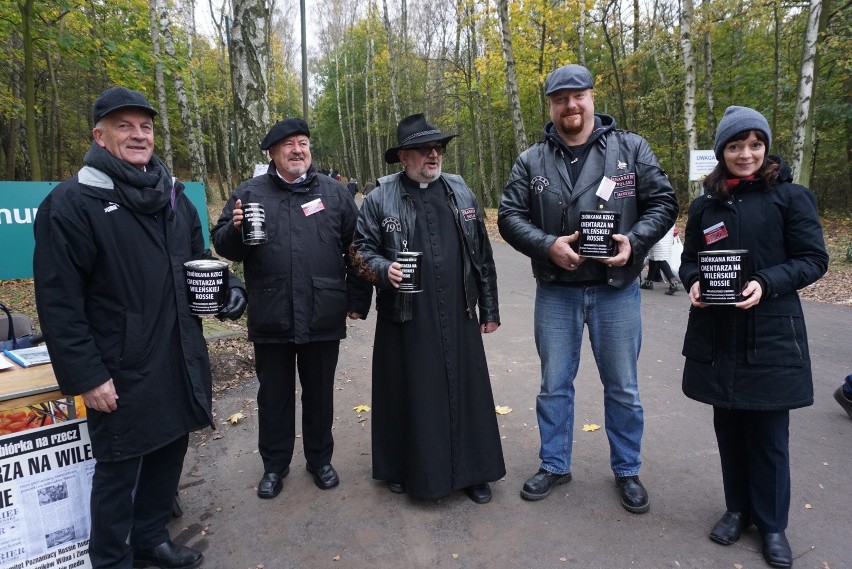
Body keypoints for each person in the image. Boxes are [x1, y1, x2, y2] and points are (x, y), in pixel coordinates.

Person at [33, 86, 247, 569]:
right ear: (100, 136)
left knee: (170, 449)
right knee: (118, 472)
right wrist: (87, 375)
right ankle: (111, 559)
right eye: (124, 126)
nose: (137, 135)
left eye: (145, 126)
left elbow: (199, 260)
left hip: (178, 354)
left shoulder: (173, 198)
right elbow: (59, 302)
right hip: (119, 366)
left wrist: (229, 287)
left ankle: (151, 537)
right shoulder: (70, 204)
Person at [498, 64, 678, 512]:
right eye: (560, 99)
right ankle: (555, 464)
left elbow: (664, 202)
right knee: (553, 384)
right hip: (557, 288)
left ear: (592, 98)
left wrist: (635, 242)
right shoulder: (531, 159)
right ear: (551, 106)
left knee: (623, 387)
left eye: (577, 96)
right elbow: (508, 216)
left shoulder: (631, 149)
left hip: (615, 287)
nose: (570, 105)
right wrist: (546, 246)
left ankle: (627, 470)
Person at [679, 106, 828, 568]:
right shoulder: (706, 205)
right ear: (722, 152)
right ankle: (737, 509)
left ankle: (772, 524)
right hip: (719, 333)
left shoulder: (791, 197)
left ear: (765, 147)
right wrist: (693, 283)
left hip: (772, 334)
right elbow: (688, 260)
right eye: (735, 146)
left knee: (767, 434)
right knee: (729, 429)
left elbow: (812, 259)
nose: (746, 154)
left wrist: (766, 282)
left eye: (754, 144)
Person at [211, 118, 371, 500]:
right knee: (274, 396)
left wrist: (358, 299)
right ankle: (274, 465)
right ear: (272, 154)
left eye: (302, 142)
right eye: (288, 145)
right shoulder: (248, 194)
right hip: (271, 311)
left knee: (319, 392)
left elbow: (359, 249)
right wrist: (233, 230)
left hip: (323, 311)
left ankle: (319, 460)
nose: (297, 150)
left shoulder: (334, 194)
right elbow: (223, 246)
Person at [354, 113, 505, 504]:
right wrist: (385, 269)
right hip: (405, 317)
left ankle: (475, 470)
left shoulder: (460, 191)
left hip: (458, 313)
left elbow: (482, 255)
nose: (433, 155)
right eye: (424, 149)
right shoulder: (378, 198)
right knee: (410, 393)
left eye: (437, 148)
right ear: (404, 156)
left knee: (466, 391)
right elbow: (358, 252)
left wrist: (488, 308)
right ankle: (405, 468)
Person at [640, 225, 682, 295]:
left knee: (658, 255)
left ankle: (673, 283)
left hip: (658, 224)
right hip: (667, 224)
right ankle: (648, 282)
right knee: (654, 254)